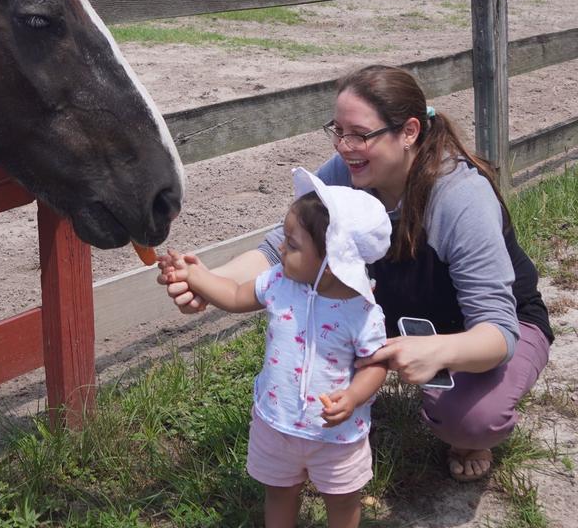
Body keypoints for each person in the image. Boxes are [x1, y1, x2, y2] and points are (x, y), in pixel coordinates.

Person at [161, 65, 553, 483]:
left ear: (409, 132)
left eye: (361, 134)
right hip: (400, 319)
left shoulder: (461, 199)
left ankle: (470, 436)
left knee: (471, 419)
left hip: (487, 328)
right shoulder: (346, 174)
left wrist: (437, 351)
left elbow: (498, 333)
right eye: (338, 130)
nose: (346, 146)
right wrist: (209, 279)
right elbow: (283, 247)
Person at [161, 166, 391, 528]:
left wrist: (355, 395)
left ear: (331, 258)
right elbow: (231, 295)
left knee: (342, 495)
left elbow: (375, 363)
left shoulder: (362, 311)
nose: (280, 248)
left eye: (292, 243)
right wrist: (195, 275)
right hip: (277, 419)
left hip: (335, 431)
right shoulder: (277, 282)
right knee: (279, 489)